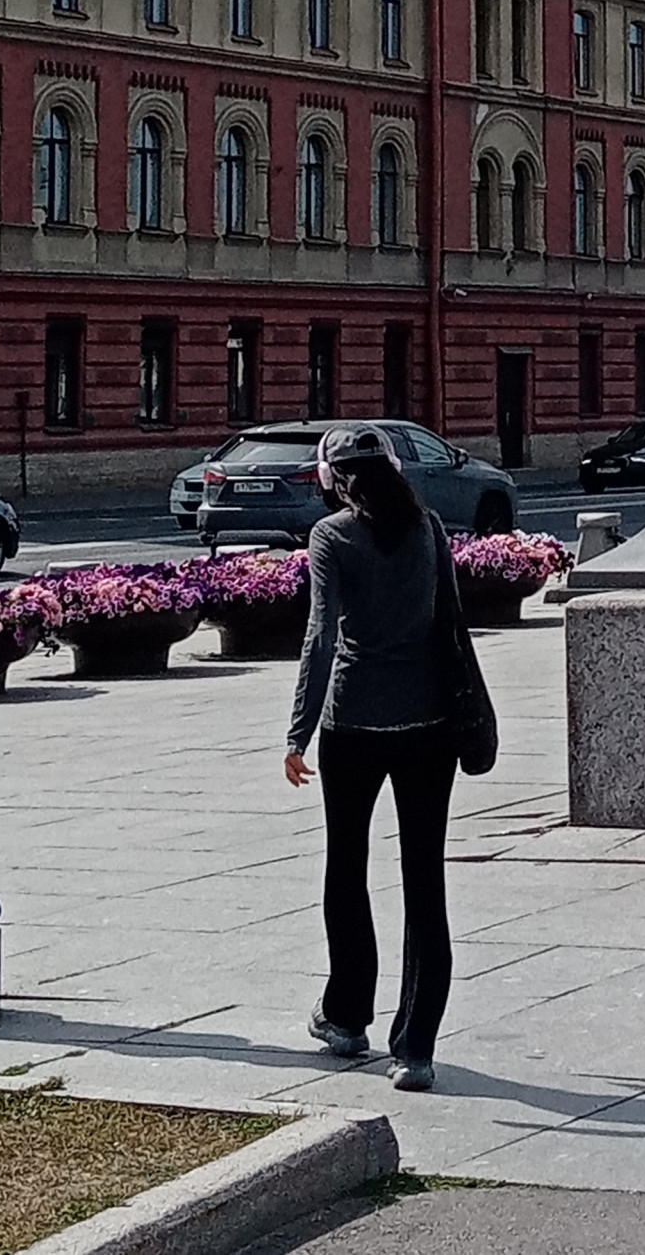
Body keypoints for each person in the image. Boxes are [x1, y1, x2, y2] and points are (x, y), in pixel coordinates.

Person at [285, 425, 459, 1091]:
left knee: (346, 867)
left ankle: (347, 1015)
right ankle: (415, 1047)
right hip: (429, 725)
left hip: (353, 724)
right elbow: (449, 621)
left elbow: (321, 633)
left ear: (332, 479)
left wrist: (297, 732)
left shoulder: (331, 536)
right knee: (425, 881)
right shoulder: (430, 527)